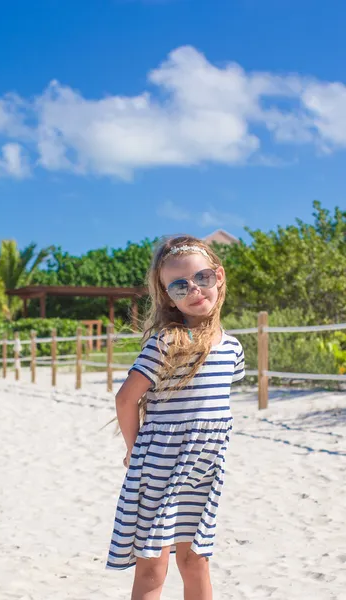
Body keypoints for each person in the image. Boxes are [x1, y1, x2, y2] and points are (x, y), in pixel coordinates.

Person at [107, 235, 245, 600]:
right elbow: (125, 399)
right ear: (168, 296)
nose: (195, 289)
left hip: (204, 469)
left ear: (219, 276)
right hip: (160, 466)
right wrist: (133, 451)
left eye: (202, 277)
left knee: (196, 559)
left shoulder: (232, 348)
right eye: (180, 285)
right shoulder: (167, 342)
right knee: (153, 564)